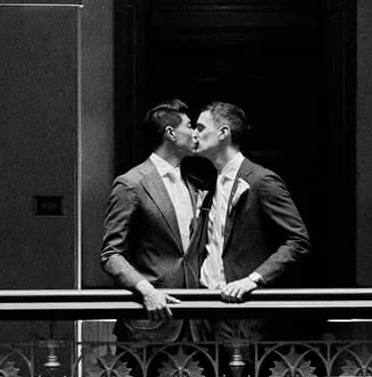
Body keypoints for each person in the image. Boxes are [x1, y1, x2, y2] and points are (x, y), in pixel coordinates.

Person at [99, 99, 207, 339]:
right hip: (150, 321)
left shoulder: (193, 184)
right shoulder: (131, 184)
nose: (195, 133)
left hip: (194, 323)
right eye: (190, 126)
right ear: (170, 133)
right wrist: (146, 290)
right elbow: (111, 254)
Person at [192, 101, 310, 302]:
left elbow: (298, 241)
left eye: (201, 128)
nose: (194, 134)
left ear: (223, 133)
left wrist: (253, 279)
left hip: (243, 304)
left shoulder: (261, 181)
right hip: (205, 301)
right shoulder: (210, 182)